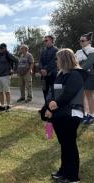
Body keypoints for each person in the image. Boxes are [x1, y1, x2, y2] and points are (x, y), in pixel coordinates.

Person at [42, 48, 86, 183]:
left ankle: (72, 177)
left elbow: (67, 95)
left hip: (71, 115)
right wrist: (49, 104)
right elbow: (51, 92)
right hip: (60, 114)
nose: (56, 61)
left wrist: (53, 106)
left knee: (69, 145)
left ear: (65, 59)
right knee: (64, 145)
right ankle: (63, 171)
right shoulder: (60, 74)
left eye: (58, 59)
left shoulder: (76, 75)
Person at [76, 32, 94, 124]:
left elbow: (87, 65)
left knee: (89, 95)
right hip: (81, 75)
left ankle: (92, 115)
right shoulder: (78, 52)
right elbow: (75, 63)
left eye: (83, 40)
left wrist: (79, 66)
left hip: (90, 76)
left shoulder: (92, 50)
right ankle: (85, 114)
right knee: (82, 95)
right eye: (80, 41)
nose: (81, 42)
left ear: (88, 41)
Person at [0, 43, 18, 111]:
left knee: (7, 92)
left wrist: (13, 70)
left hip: (5, 76)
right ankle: (2, 106)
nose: (1, 49)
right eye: (0, 48)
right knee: (0, 92)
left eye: (2, 48)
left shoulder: (8, 54)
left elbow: (17, 60)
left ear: (5, 48)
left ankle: (8, 105)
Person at [39, 35, 58, 102]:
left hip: (52, 75)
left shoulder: (56, 50)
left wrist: (45, 69)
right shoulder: (43, 51)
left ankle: (53, 107)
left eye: (46, 40)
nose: (45, 42)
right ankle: (46, 106)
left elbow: (53, 62)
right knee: (45, 91)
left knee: (54, 91)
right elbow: (40, 61)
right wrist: (41, 69)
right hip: (44, 76)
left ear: (51, 41)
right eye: (45, 40)